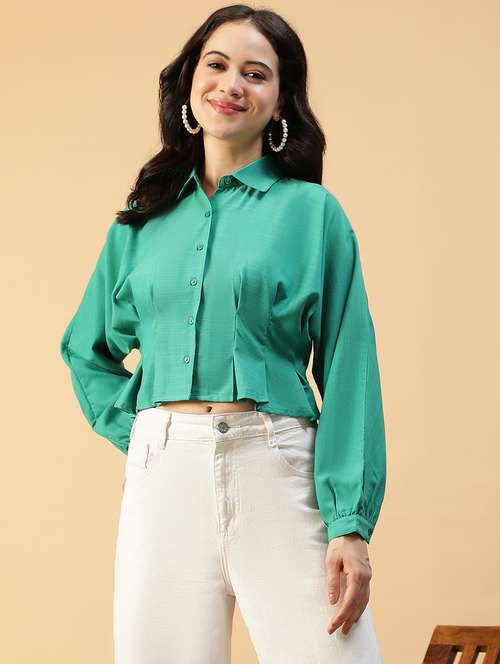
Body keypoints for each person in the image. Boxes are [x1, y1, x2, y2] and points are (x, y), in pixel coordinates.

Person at [59, 4, 387, 663]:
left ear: (280, 101)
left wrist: (349, 523)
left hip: (277, 464)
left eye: (255, 73)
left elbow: (350, 365)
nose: (231, 84)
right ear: (190, 81)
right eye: (217, 64)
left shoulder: (312, 213)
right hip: (162, 481)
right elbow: (84, 348)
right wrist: (144, 434)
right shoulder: (142, 218)